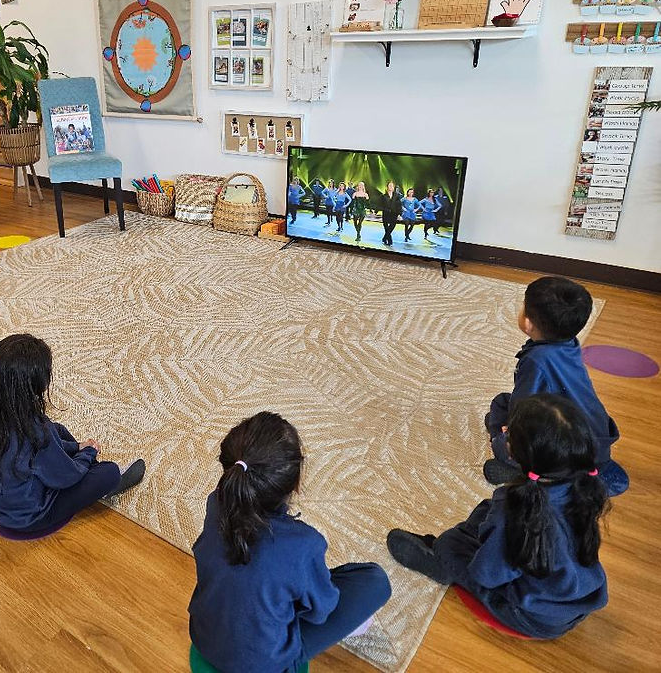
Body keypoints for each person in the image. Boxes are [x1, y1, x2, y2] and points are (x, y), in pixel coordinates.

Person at [386, 394, 610, 640]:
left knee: (449, 544)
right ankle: (481, 539)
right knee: (487, 509)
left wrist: (483, 545)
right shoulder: (584, 487)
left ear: (515, 455)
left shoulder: (515, 511)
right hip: (574, 600)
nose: (503, 433)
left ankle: (439, 565)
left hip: (532, 616)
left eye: (508, 435)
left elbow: (487, 575)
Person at [189, 412, 391, 673]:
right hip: (266, 665)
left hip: (204, 637)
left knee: (278, 585)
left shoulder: (215, 504)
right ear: (295, 484)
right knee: (375, 581)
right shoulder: (304, 544)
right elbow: (321, 611)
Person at [0, 334, 146, 536]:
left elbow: (40, 452)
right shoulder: (37, 432)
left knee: (58, 430)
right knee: (109, 472)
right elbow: (66, 476)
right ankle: (107, 483)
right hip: (30, 518)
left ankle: (85, 464)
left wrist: (76, 447)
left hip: (1, 508)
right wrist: (88, 452)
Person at [484, 277, 626, 495]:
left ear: (528, 323)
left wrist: (511, 434)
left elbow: (524, 408)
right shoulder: (570, 344)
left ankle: (524, 471)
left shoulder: (536, 361)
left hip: (565, 450)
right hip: (592, 442)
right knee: (504, 402)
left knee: (500, 419)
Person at [379, 180, 403, 246]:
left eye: (392, 186)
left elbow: (399, 205)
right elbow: (380, 205)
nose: (391, 187)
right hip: (386, 213)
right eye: (390, 185)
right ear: (387, 187)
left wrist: (400, 214)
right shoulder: (383, 196)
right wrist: (376, 211)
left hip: (394, 213)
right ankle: (390, 240)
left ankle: (384, 238)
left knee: (392, 226)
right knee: (386, 227)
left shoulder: (397, 196)